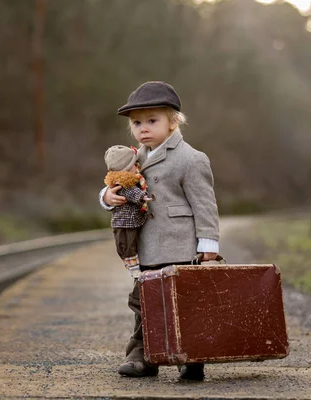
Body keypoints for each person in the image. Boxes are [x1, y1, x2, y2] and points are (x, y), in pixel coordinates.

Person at [99, 81, 220, 381]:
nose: (143, 128)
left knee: (182, 303)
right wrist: (106, 197)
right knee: (143, 301)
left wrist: (208, 245)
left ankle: (190, 357)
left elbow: (205, 205)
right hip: (147, 248)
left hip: (180, 248)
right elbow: (114, 187)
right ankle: (142, 355)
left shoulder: (191, 159)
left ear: (173, 121)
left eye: (152, 121)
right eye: (137, 123)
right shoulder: (132, 160)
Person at [103, 145, 154, 278]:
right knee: (127, 244)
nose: (137, 166)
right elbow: (132, 192)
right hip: (125, 222)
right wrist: (143, 196)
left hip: (129, 220)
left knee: (128, 243)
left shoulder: (131, 179)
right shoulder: (124, 182)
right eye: (133, 165)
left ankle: (132, 264)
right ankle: (132, 265)